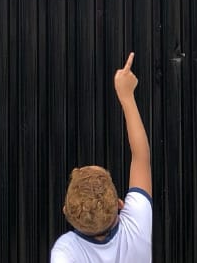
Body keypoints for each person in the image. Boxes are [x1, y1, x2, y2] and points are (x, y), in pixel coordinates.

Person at [50, 52, 153, 263]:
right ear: (120, 204)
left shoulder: (66, 250)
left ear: (66, 212)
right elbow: (141, 156)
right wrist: (127, 98)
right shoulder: (137, 223)